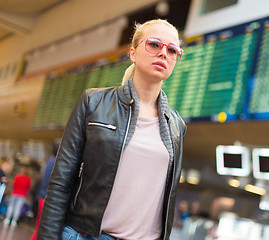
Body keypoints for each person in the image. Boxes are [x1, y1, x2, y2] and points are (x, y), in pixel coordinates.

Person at [37, 19, 186, 240]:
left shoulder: (176, 125)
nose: (164, 53)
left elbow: (168, 199)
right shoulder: (93, 102)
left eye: (172, 49)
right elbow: (61, 182)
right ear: (133, 53)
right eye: (154, 44)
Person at [29, 140, 59, 240]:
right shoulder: (56, 163)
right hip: (48, 200)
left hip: (42, 197)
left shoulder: (49, 161)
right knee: (44, 230)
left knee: (39, 228)